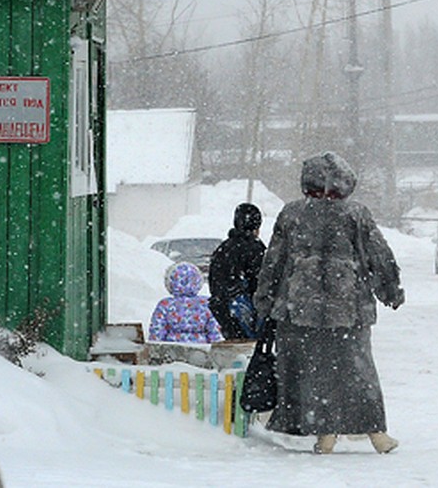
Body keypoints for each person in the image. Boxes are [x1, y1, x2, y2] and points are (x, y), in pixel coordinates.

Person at [254, 151, 405, 455]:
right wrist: (390, 291)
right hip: (348, 311)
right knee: (356, 372)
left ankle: (325, 432)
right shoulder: (355, 214)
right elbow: (378, 256)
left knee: (313, 375)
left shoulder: (292, 214)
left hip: (299, 312)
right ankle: (376, 432)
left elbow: (274, 261)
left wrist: (265, 300)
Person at [208, 202, 266, 340]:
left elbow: (214, 280)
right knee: (249, 349)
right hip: (244, 309)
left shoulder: (224, 248)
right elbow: (261, 280)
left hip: (222, 307)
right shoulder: (256, 248)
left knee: (235, 347)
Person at [148, 261, 224, 343]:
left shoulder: (165, 305)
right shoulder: (206, 304)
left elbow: (157, 332)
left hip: (171, 351)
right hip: (200, 352)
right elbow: (214, 332)